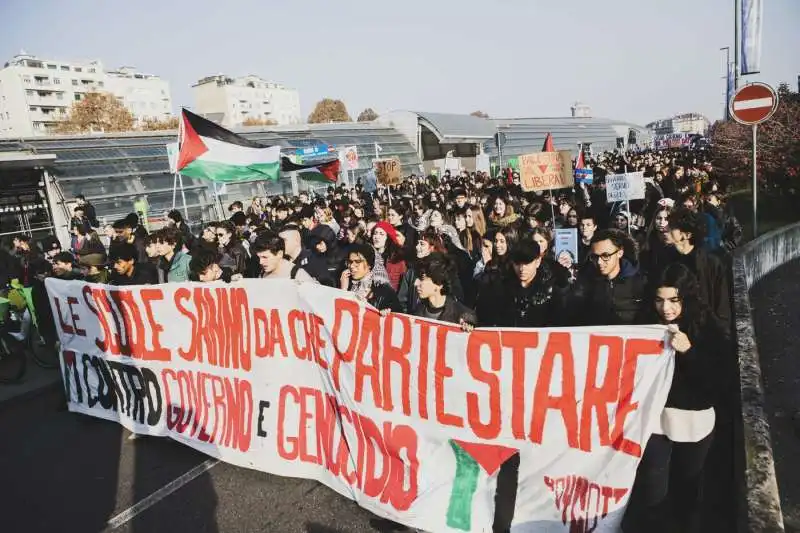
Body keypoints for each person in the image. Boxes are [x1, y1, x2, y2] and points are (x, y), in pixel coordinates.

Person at [624, 263, 730, 533]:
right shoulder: (646, 323)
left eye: (673, 300)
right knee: (652, 489)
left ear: (687, 297)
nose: (666, 308)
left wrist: (689, 352)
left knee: (687, 492)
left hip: (693, 422)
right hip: (655, 419)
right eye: (659, 300)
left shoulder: (707, 327)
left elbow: (718, 381)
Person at [667, 207, 731, 327]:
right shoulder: (666, 260)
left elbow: (722, 304)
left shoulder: (711, 263)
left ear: (686, 235)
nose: (666, 230)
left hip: (704, 328)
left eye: (672, 228)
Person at [484, 239, 570, 327]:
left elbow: (560, 323)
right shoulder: (501, 285)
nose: (522, 269)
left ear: (537, 262)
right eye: (517, 264)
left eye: (527, 263)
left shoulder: (551, 289)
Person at [570, 229, 647, 326]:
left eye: (605, 256)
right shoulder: (585, 282)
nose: (599, 262)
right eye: (595, 257)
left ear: (620, 253)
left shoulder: (640, 282)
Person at [411, 254, 476, 327]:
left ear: (439, 283)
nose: (416, 283)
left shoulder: (463, 316)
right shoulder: (417, 311)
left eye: (422, 279)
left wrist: (467, 329)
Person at [340, 243, 401, 312]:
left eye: (357, 262)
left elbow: (398, 316)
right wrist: (343, 290)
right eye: (350, 262)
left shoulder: (384, 291)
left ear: (369, 264)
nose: (351, 266)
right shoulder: (345, 282)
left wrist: (387, 312)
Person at [251, 234, 315, 282]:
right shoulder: (263, 273)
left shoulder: (298, 275)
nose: (260, 262)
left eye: (265, 257)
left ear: (280, 254)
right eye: (259, 257)